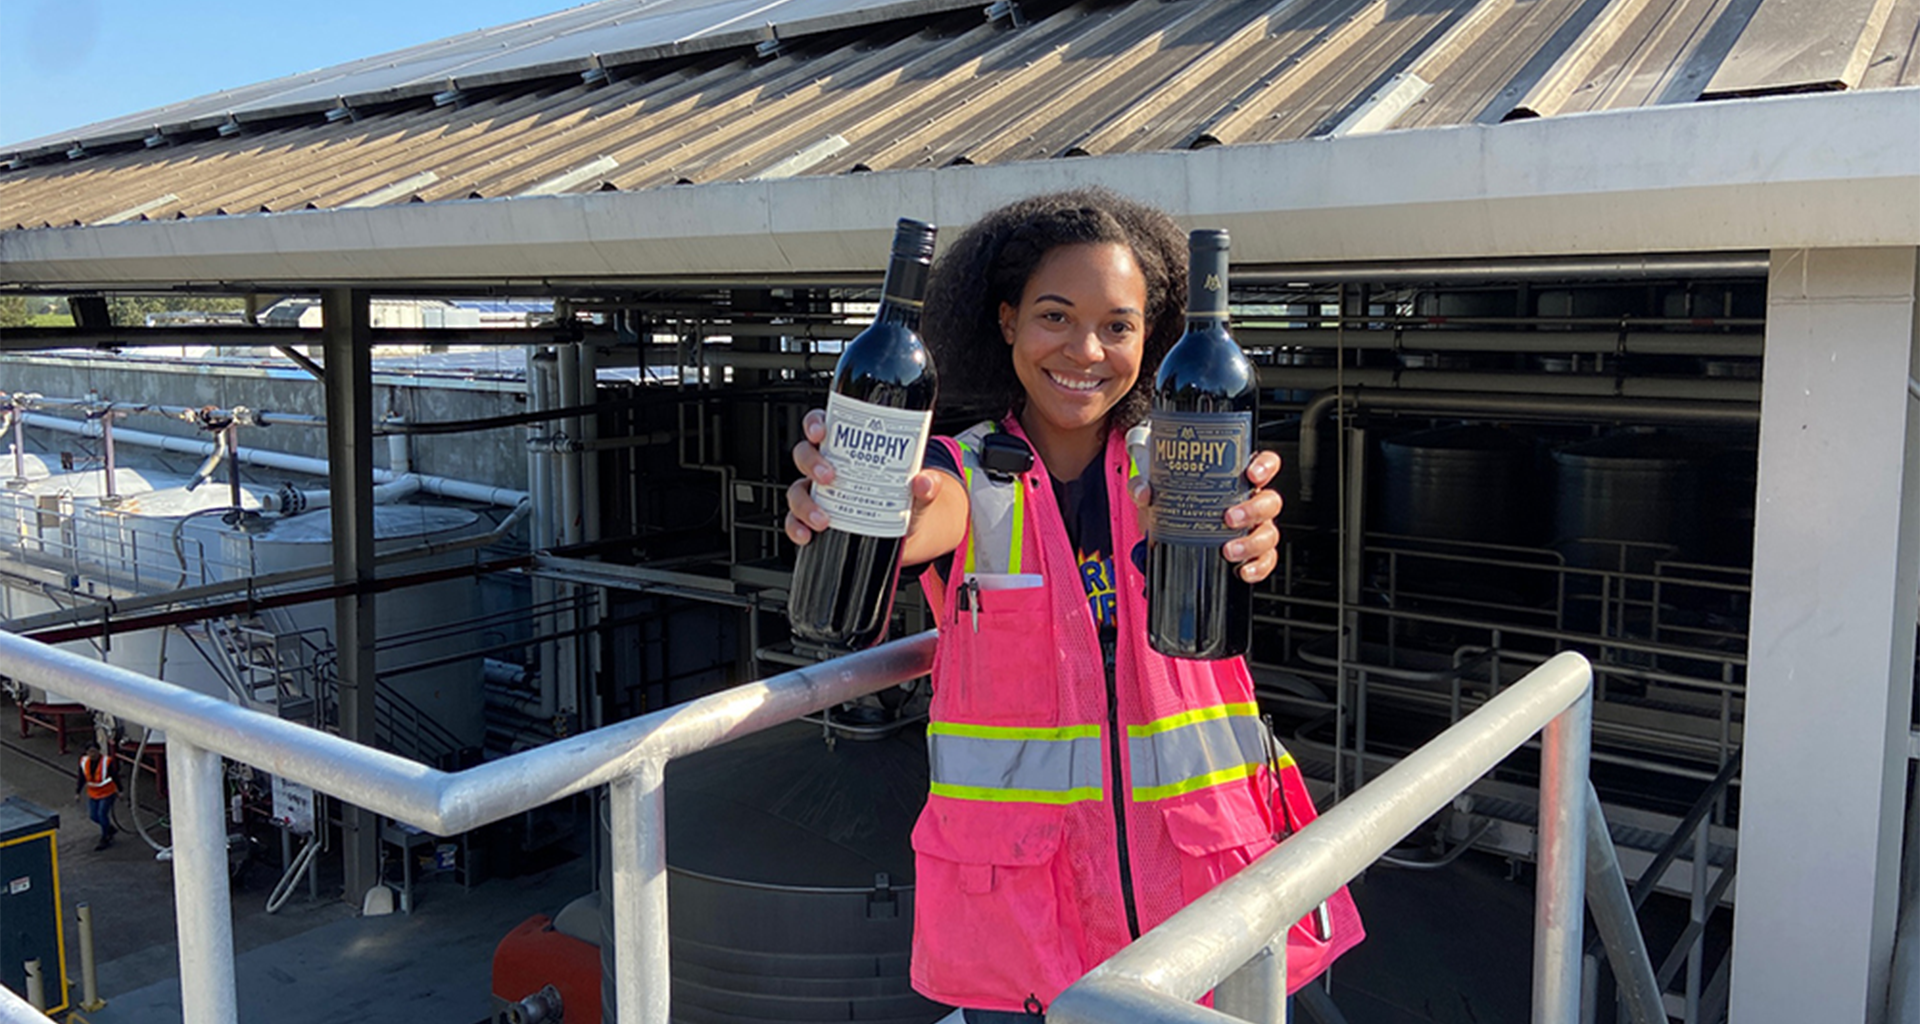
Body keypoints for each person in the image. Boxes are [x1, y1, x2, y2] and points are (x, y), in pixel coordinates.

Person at [786, 189, 1361, 1019]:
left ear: (1151, 338)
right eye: (1056, 316)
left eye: (1118, 326)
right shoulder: (967, 475)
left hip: (1206, 895)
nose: (1086, 350)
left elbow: (1237, 547)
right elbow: (920, 508)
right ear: (1008, 321)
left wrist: (1255, 535)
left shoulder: (1177, 466)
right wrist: (850, 502)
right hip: (1031, 927)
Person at [76, 740, 119, 851]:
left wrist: (120, 790)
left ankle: (105, 837)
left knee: (102, 814)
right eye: (90, 752)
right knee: (93, 816)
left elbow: (115, 776)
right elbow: (81, 778)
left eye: (94, 751)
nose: (92, 754)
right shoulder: (84, 762)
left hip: (107, 793)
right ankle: (109, 828)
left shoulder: (106, 762)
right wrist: (78, 792)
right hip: (93, 793)